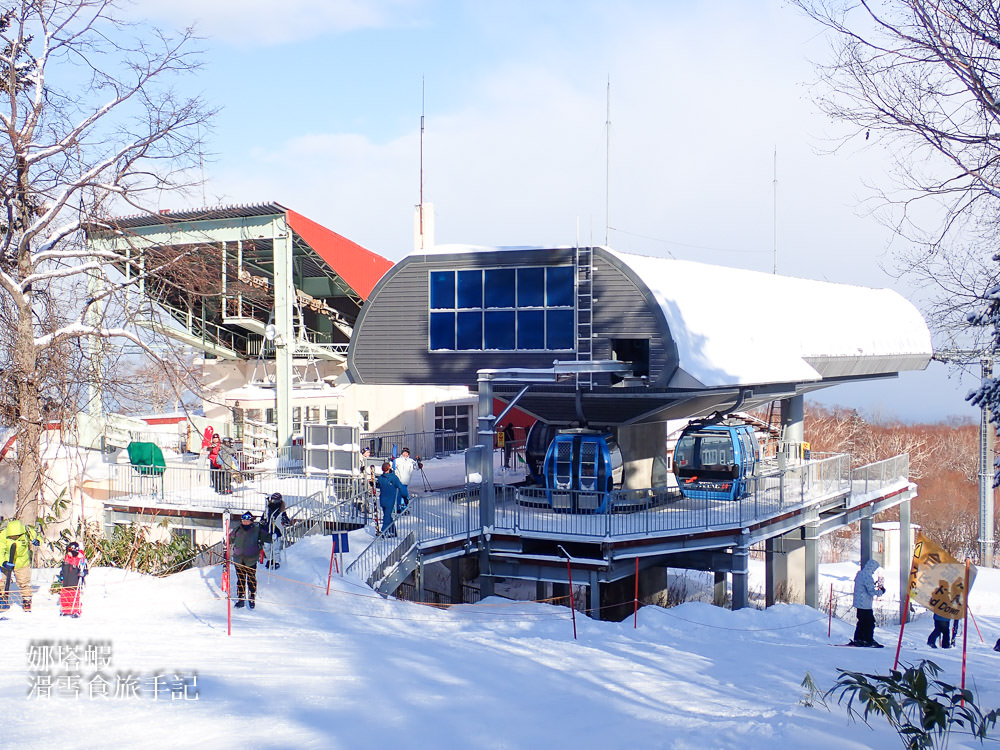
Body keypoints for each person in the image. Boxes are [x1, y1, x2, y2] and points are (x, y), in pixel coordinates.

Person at [228, 511, 269, 609]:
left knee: (251, 579)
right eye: (243, 520)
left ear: (251, 521)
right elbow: (230, 539)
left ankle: (252, 597)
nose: (245, 522)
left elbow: (267, 537)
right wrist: (226, 539)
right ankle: (241, 598)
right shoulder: (237, 529)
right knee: (240, 580)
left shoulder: (257, 530)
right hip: (239, 560)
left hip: (251, 559)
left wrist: (271, 533)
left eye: (247, 521)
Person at [0, 518, 40, 612]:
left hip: (22, 562)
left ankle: (26, 600)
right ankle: (2, 598)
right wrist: (3, 563)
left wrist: (37, 541)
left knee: (24, 582)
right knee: (3, 582)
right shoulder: (3, 535)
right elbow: (0, 551)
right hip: (7, 561)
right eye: (12, 536)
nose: (14, 538)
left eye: (16, 536)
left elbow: (37, 537)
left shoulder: (27, 531)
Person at [850, 558, 885, 647]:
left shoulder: (860, 574)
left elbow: (864, 586)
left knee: (861, 622)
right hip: (865, 604)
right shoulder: (867, 576)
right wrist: (881, 591)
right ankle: (868, 640)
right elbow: (871, 592)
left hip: (859, 603)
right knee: (869, 623)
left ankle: (858, 638)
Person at [376, 462, 408, 537]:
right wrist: (405, 497)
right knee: (387, 516)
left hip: (382, 500)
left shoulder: (381, 478)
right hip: (390, 500)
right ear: (389, 467)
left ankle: (393, 531)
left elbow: (378, 485)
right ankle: (383, 531)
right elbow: (401, 487)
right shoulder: (394, 478)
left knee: (387, 515)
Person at [58, 541, 88, 618]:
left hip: (75, 581)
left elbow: (85, 569)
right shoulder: (67, 558)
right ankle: (66, 610)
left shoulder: (80, 559)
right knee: (65, 596)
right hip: (66, 581)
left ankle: (75, 610)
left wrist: (83, 573)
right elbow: (64, 568)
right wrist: (61, 575)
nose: (68, 553)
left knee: (74, 596)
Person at [261, 493, 290, 569]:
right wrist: (262, 522)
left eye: (276, 500)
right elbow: (263, 517)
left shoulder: (281, 510)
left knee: (275, 548)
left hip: (276, 532)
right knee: (266, 547)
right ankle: (270, 559)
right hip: (267, 531)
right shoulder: (268, 509)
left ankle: (277, 561)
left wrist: (285, 521)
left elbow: (286, 520)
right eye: (273, 500)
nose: (274, 502)